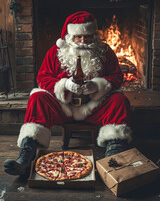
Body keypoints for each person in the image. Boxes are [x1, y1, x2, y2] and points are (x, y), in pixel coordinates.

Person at [4, 11, 132, 177]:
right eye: (78, 37)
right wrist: (64, 85)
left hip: (94, 106)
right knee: (37, 97)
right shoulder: (55, 52)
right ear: (70, 36)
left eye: (88, 37)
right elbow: (42, 78)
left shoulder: (105, 51)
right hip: (63, 106)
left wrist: (96, 86)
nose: (83, 41)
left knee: (119, 99)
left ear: (94, 35)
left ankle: (114, 155)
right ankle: (26, 157)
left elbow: (117, 77)